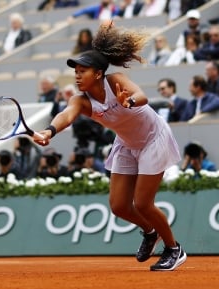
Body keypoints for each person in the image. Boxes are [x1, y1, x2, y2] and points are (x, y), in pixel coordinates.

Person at [32, 22, 186, 271]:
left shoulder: (116, 80)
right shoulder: (80, 100)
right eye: (76, 71)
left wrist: (129, 101)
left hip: (153, 138)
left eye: (83, 70)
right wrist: (48, 131)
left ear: (98, 73)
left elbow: (143, 96)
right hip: (126, 143)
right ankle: (150, 232)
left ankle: (173, 248)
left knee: (144, 204)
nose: (77, 75)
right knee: (119, 206)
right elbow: (66, 115)